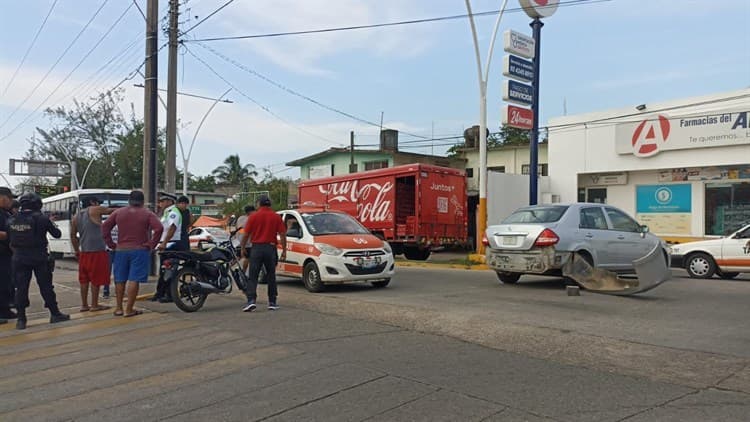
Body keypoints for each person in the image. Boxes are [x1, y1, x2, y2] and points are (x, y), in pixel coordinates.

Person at [8, 192, 68, 330]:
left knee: (21, 288)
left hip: (19, 257)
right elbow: (57, 234)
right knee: (46, 286)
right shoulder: (42, 218)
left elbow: (10, 239)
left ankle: (21, 319)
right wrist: (51, 222)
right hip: (39, 257)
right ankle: (55, 313)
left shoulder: (13, 219)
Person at [102, 190, 163, 317]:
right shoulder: (147, 213)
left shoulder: (118, 212)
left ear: (129, 200)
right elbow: (159, 228)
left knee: (120, 279)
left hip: (120, 249)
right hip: (139, 249)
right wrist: (151, 244)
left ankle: (118, 308)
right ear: (142, 201)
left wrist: (111, 244)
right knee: (134, 279)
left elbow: (105, 227)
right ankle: (129, 309)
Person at [240, 195, 286, 312]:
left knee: (253, 276)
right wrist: (284, 250)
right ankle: (272, 302)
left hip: (256, 249)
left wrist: (243, 247)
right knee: (271, 275)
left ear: (259, 204)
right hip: (270, 248)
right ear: (269, 204)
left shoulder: (253, 216)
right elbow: (282, 234)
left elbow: (246, 234)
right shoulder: (276, 217)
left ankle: (251, 301)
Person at [70, 197, 116, 312]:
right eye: (97, 203)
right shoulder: (95, 210)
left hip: (84, 252)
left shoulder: (76, 217)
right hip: (97, 251)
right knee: (96, 278)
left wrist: (77, 251)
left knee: (84, 280)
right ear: (92, 203)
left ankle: (84, 305)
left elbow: (73, 236)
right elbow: (111, 211)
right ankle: (95, 305)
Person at [152, 194, 185, 303]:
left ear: (169, 201)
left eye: (162, 201)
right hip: (166, 244)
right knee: (163, 271)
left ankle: (169, 294)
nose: (160, 203)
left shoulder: (173, 213)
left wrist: (164, 243)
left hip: (172, 244)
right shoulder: (166, 213)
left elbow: (172, 228)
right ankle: (160, 293)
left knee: (169, 271)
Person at [0, 187, 17, 323]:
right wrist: (10, 235)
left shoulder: (5, 213)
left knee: (6, 283)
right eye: (10, 198)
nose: (12, 201)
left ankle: (5, 310)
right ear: (2, 197)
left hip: (6, 254)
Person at [236, 205, 255, 273]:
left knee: (237, 257)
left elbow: (237, 229)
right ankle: (243, 272)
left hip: (238, 241)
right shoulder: (251, 219)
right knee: (248, 258)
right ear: (251, 211)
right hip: (248, 243)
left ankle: (227, 267)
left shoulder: (240, 218)